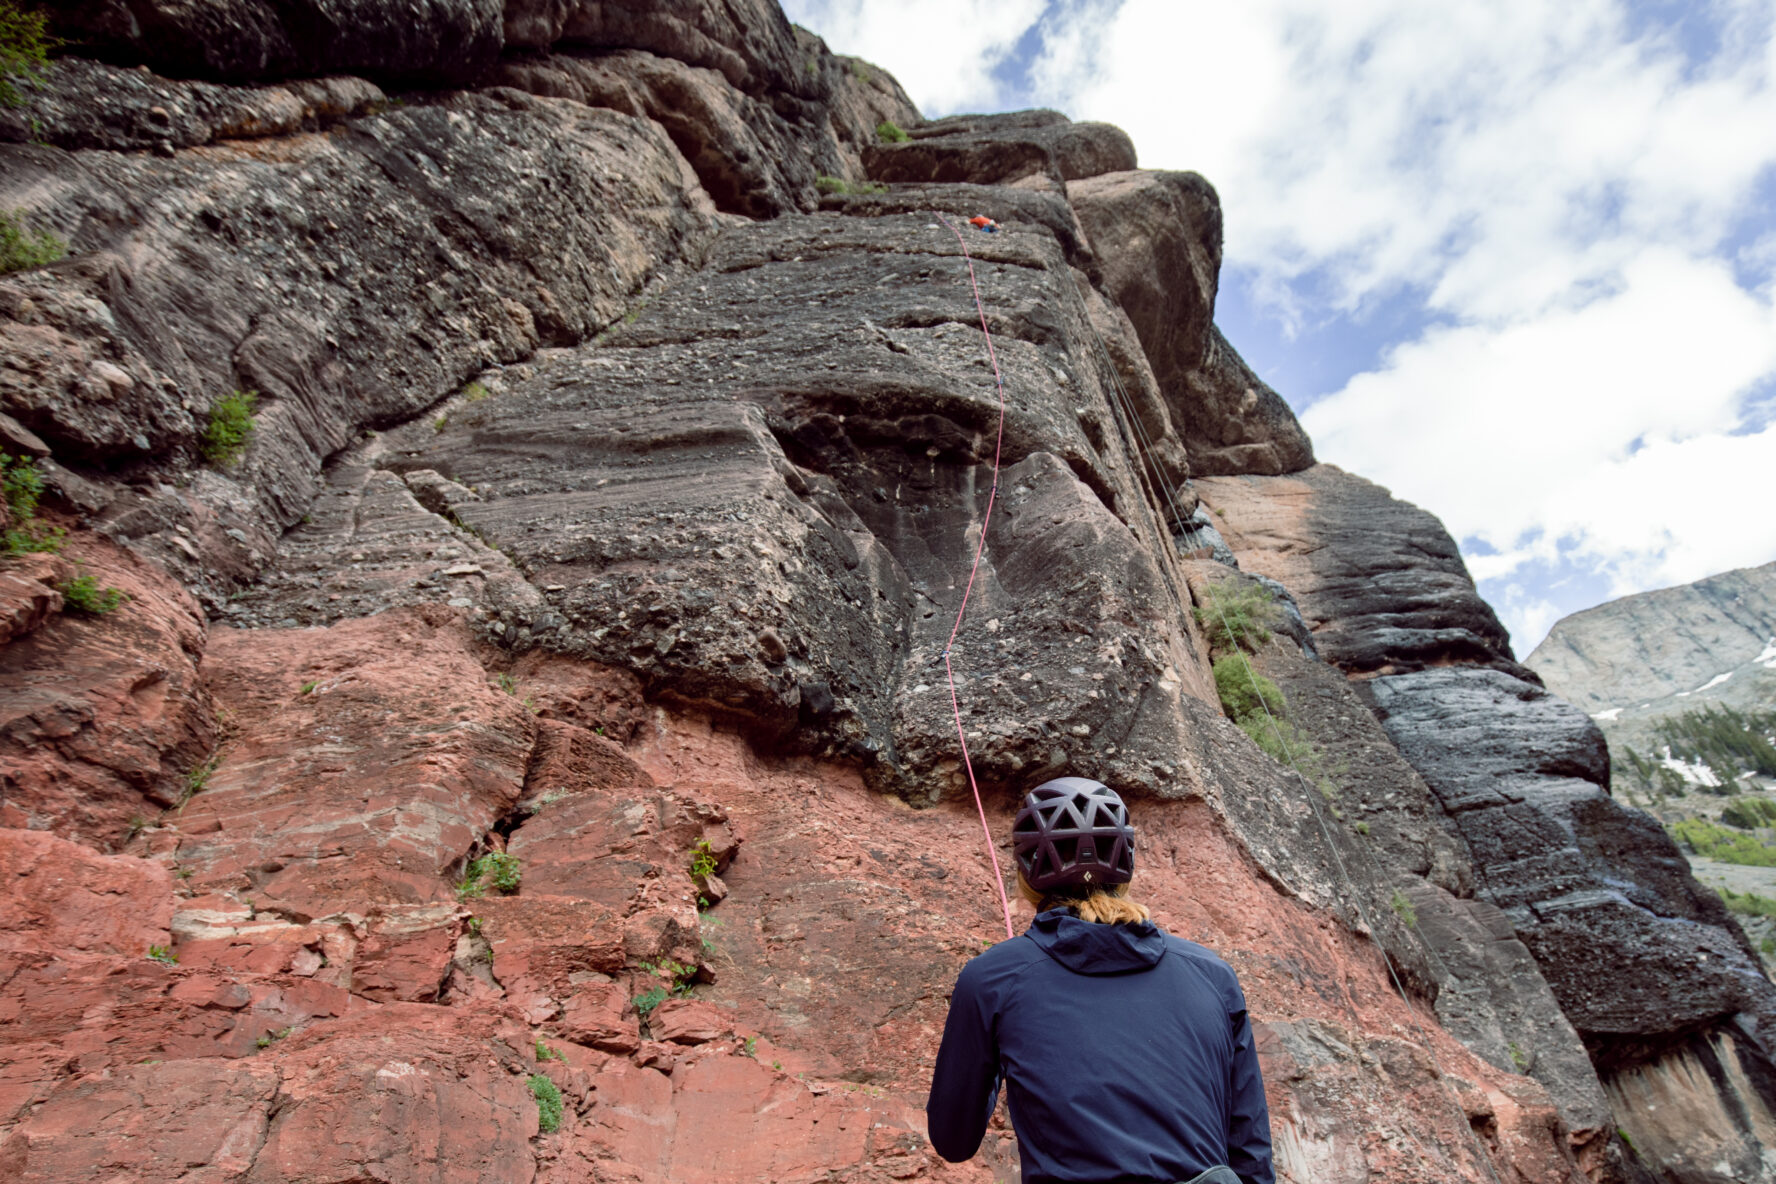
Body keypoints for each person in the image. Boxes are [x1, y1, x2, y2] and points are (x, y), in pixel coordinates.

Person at [926, 776, 1274, 1184]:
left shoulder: (993, 978)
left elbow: (953, 1139)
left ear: (1025, 870)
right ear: (1125, 864)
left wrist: (997, 1059)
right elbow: (1251, 1156)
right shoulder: (1213, 974)